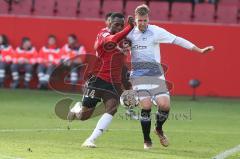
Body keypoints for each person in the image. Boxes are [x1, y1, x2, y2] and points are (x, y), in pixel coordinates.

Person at [126, 4, 214, 149]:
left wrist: (199, 50)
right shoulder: (129, 33)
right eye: (139, 21)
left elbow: (177, 39)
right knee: (146, 106)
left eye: (145, 20)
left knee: (165, 105)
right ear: (135, 19)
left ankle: (158, 129)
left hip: (156, 75)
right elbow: (114, 42)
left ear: (148, 19)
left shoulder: (155, 31)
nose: (142, 23)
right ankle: (147, 140)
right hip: (139, 76)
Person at [67, 12, 135, 148]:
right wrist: (130, 27)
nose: (119, 27)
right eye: (116, 24)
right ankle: (77, 108)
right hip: (97, 80)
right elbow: (112, 40)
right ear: (109, 23)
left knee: (112, 108)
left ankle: (90, 140)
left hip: (113, 82)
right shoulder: (103, 34)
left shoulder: (125, 38)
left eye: (122, 25)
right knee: (84, 116)